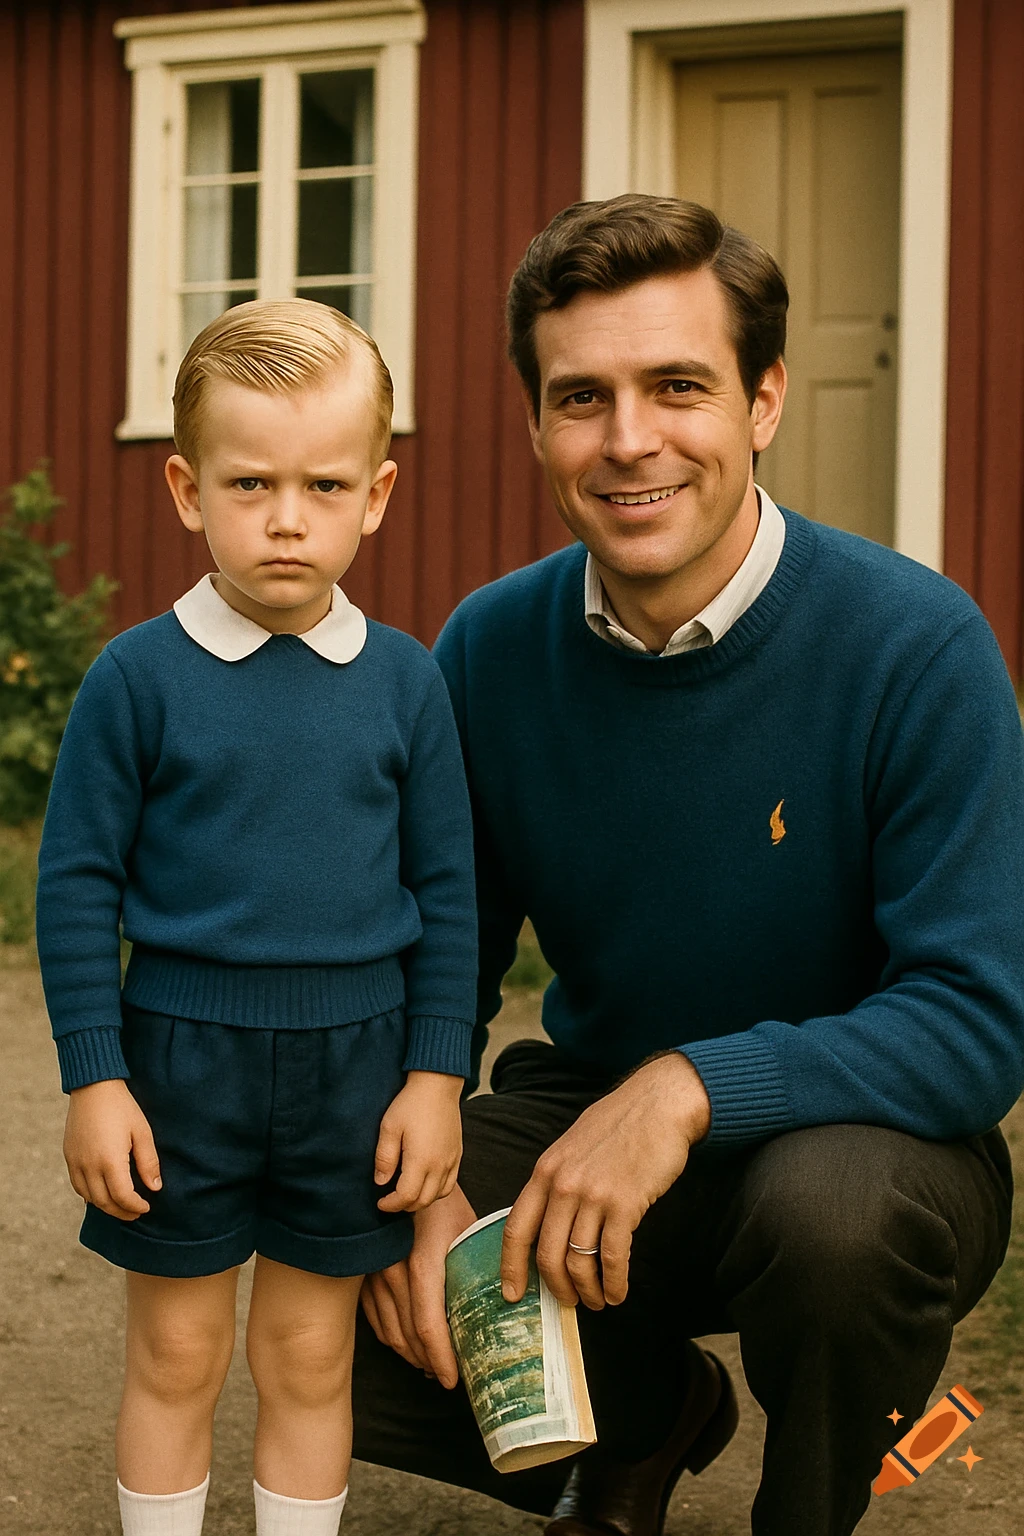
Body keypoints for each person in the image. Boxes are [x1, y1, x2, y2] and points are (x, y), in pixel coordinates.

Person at [352, 196, 1024, 1536]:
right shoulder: (488, 651)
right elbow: (434, 961)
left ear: (764, 400)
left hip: (866, 1152)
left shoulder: (918, 646)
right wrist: (410, 1191)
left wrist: (688, 1088)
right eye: (581, 397)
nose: (628, 441)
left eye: (677, 386)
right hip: (588, 1127)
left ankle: (812, 1507)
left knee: (832, 1224)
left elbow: (977, 1021)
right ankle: (651, 1420)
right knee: (344, 1254)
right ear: (539, 424)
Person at [35, 300, 477, 1536]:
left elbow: (448, 892)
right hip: (181, 1067)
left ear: (377, 495)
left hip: (356, 1071)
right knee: (176, 1359)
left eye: (325, 484)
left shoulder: (407, 681)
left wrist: (438, 1074)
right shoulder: (136, 678)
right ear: (186, 489)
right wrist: (95, 1077)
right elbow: (73, 885)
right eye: (250, 483)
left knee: (306, 1358)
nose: (288, 517)